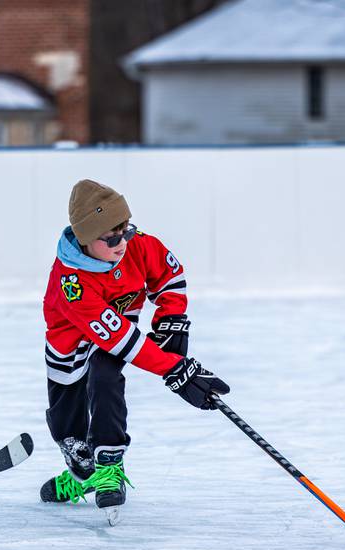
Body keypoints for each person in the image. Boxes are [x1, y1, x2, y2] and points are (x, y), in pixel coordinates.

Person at [41, 179, 230, 523]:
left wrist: (172, 318)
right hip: (70, 346)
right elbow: (120, 339)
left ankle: (109, 466)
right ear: (85, 239)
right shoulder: (72, 284)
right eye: (111, 238)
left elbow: (168, 275)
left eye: (124, 231)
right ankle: (82, 476)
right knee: (70, 432)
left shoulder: (137, 245)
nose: (122, 243)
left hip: (115, 333)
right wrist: (173, 368)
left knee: (106, 377)